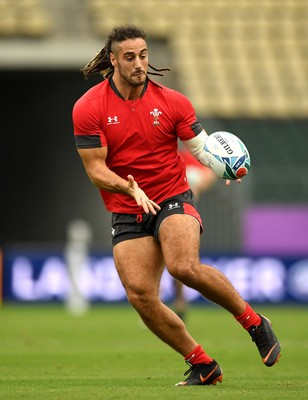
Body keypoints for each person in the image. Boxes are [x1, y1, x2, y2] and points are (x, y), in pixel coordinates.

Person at [72, 25, 281, 386]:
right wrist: (128, 188)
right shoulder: (88, 107)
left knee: (183, 266)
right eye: (130, 57)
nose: (139, 63)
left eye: (143, 55)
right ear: (113, 60)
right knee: (140, 295)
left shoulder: (173, 101)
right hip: (128, 205)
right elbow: (95, 169)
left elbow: (200, 148)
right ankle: (202, 363)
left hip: (172, 195)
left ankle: (254, 322)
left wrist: (222, 165)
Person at [173, 149, 217, 321]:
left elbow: (210, 176)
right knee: (169, 263)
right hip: (166, 212)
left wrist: (198, 184)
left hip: (186, 215)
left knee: (181, 264)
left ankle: (180, 304)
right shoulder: (173, 156)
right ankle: (166, 304)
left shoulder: (199, 158)